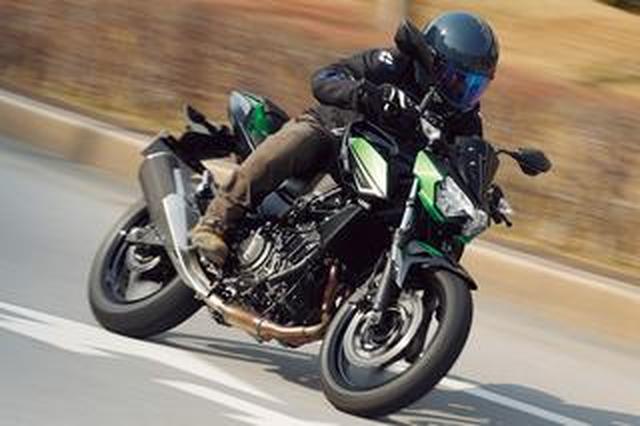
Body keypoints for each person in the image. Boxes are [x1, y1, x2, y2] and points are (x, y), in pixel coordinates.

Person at [191, 11, 500, 266]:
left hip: (393, 172)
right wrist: (364, 95)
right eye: (456, 78)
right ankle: (216, 222)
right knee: (300, 138)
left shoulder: (466, 117)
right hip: (337, 133)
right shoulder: (392, 63)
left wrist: (480, 189)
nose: (463, 90)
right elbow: (325, 78)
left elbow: (463, 158)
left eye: (475, 86)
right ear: (430, 61)